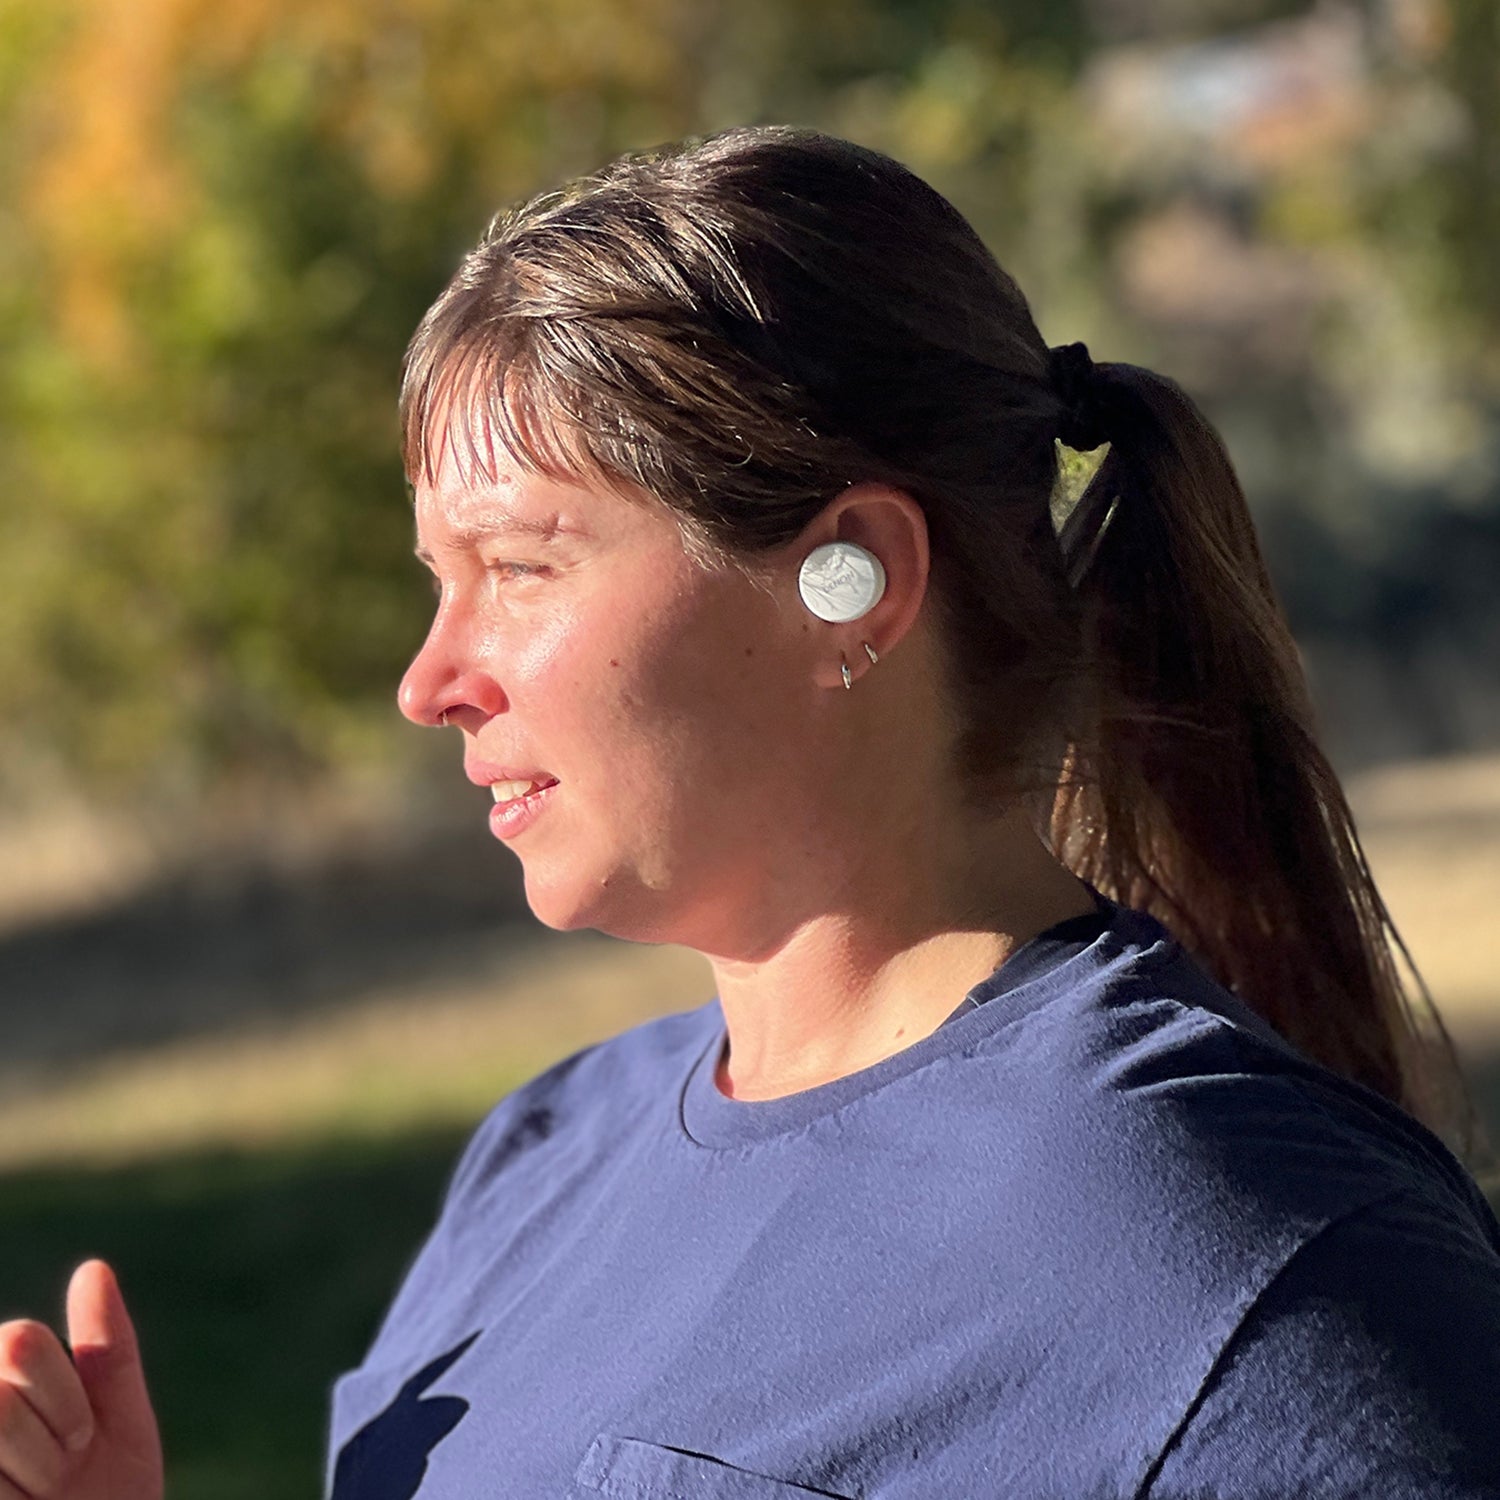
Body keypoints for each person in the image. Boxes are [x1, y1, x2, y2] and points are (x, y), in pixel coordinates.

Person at [2, 125, 1498, 1500]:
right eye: (434, 583)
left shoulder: (1273, 1282)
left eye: (519, 566)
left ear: (851, 578)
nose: (430, 680)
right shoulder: (544, 1161)